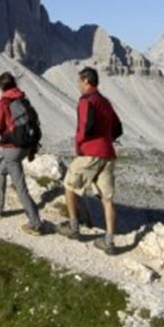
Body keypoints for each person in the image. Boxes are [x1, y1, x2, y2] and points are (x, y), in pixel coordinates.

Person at [60, 66, 122, 253]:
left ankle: (73, 227)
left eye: (80, 80)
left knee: (69, 185)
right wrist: (106, 140)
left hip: (90, 153)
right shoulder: (105, 102)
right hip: (108, 154)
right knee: (107, 198)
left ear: (87, 81)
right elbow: (118, 128)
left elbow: (84, 127)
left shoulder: (86, 101)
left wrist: (79, 145)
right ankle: (109, 241)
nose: (78, 84)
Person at [0, 71, 44, 236]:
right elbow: (33, 124)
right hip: (25, 146)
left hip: (12, 148)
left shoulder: (2, 104)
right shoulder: (23, 100)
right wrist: (32, 150)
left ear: (1, 86)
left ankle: (35, 223)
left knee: (20, 187)